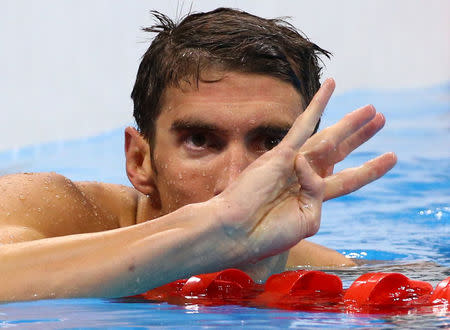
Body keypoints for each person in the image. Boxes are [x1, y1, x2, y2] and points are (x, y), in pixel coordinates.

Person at [0, 8, 396, 301]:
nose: (236, 180)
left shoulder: (324, 271)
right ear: (140, 161)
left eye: (272, 144)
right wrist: (207, 232)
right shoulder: (51, 208)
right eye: (201, 141)